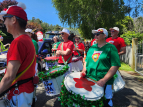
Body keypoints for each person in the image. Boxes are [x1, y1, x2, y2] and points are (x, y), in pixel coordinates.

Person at [0, 3, 36, 107]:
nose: (4, 22)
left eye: (5, 18)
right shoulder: (27, 39)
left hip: (19, 93)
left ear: (14, 20)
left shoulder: (18, 42)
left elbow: (9, 78)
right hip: (25, 91)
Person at [81, 28, 121, 107]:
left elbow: (115, 65)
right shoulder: (92, 48)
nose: (95, 35)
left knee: (106, 102)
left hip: (104, 81)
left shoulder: (111, 48)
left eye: (98, 34)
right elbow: (86, 60)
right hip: (90, 78)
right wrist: (84, 69)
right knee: (92, 101)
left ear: (104, 35)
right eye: (94, 34)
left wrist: (104, 80)